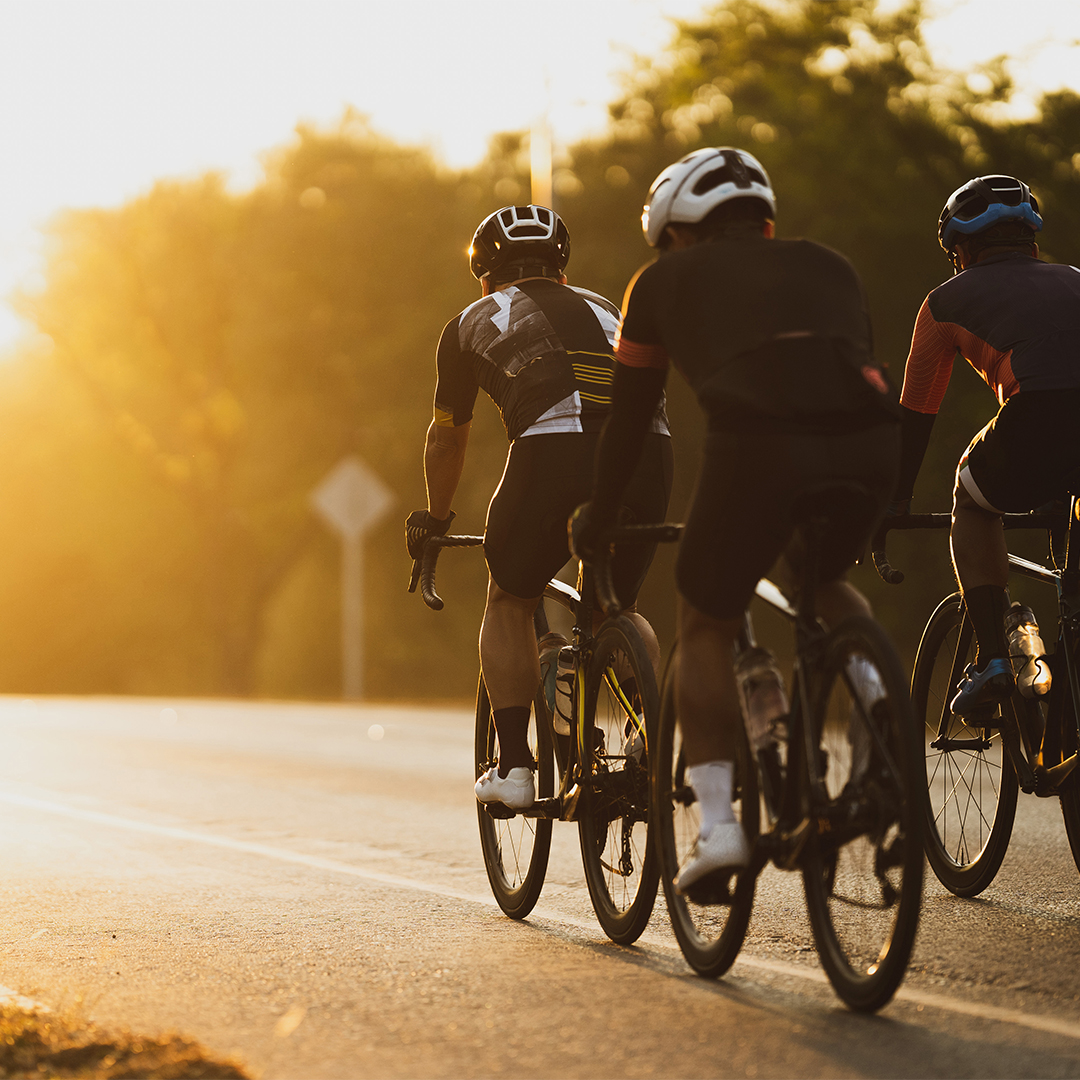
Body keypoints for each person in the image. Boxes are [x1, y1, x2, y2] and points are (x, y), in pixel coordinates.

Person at [571, 147, 901, 893]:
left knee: (705, 621)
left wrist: (599, 513)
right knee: (819, 578)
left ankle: (718, 828)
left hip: (757, 443)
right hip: (871, 441)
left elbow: (628, 420)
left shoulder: (658, 281)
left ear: (678, 229)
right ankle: (883, 707)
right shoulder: (831, 265)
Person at [406, 204, 673, 810]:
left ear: (483, 273)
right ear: (562, 267)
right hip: (649, 453)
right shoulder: (610, 307)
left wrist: (437, 519)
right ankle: (647, 738)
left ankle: (516, 767)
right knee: (616, 607)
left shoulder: (471, 320)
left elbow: (447, 437)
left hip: (554, 454)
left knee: (509, 597)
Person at [890, 174, 1080, 715]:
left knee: (972, 498)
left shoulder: (944, 300)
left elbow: (917, 410)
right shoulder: (1076, 278)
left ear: (963, 251)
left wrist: (896, 500)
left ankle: (994, 659)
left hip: (1036, 415)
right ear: (1032, 242)